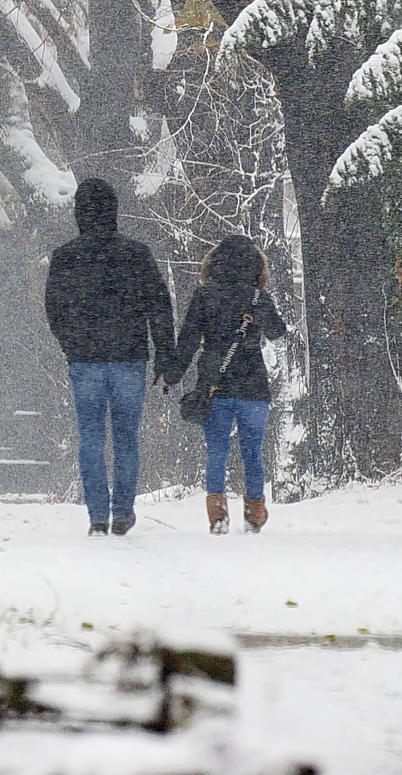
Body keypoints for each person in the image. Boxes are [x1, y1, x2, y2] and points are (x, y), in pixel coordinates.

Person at [44, 178, 174, 536]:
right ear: (114, 210)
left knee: (90, 438)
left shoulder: (65, 257)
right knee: (126, 438)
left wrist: (71, 344)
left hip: (85, 361)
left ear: (79, 213)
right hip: (130, 359)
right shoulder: (137, 254)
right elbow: (160, 309)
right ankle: (122, 513)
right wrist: (166, 361)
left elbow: (54, 310)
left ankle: (97, 516)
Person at [165, 234, 287, 535]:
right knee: (252, 452)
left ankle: (218, 516)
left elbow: (189, 341)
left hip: (213, 384)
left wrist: (172, 374)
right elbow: (277, 332)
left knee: (216, 450)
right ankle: (255, 512)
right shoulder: (258, 297)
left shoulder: (205, 295)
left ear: (215, 262)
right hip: (253, 384)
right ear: (256, 265)